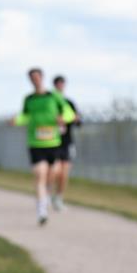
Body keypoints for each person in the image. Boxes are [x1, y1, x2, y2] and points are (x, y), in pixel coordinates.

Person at [10, 68, 76, 225]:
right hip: (35, 142)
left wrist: (63, 119)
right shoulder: (29, 99)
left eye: (37, 77)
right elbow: (25, 116)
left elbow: (69, 113)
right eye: (32, 78)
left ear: (42, 78)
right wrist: (16, 120)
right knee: (40, 174)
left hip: (53, 142)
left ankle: (47, 195)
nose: (35, 80)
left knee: (52, 175)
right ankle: (42, 210)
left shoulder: (54, 96)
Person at [50, 75, 81, 211]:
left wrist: (73, 119)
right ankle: (50, 192)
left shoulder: (69, 103)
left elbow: (78, 121)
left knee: (65, 173)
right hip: (53, 141)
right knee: (55, 171)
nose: (60, 87)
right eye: (58, 85)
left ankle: (59, 197)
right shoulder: (50, 102)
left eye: (62, 85)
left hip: (67, 141)